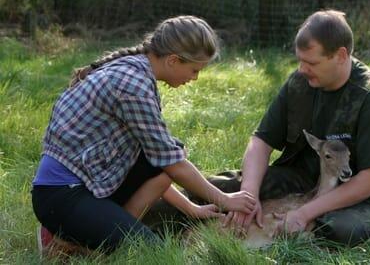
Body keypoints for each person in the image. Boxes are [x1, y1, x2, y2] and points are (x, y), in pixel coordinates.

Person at [150, 9, 370, 246]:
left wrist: (305, 213)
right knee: (217, 191)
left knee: (336, 230)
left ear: (341, 56)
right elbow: (261, 142)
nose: (302, 69)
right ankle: (137, 226)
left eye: (312, 63)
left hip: (362, 195)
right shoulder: (300, 83)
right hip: (302, 177)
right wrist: (248, 197)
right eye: (300, 60)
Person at [31, 15, 256, 256]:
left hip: (90, 180)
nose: (194, 78)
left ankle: (102, 236)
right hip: (60, 195)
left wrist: (191, 208)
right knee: (148, 251)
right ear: (173, 60)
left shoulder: (137, 71)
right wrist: (224, 199)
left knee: (165, 158)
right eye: (194, 70)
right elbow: (174, 163)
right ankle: (64, 239)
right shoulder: (133, 86)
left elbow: (162, 161)